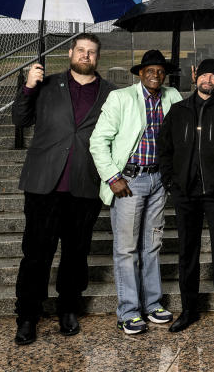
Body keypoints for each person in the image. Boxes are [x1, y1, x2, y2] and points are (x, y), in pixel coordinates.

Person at [11, 33, 116, 346]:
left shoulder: (110, 93)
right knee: (36, 255)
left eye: (91, 52)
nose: (85, 56)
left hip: (84, 185)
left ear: (98, 57)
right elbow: (19, 119)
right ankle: (28, 315)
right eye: (80, 50)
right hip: (44, 186)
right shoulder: (45, 83)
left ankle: (68, 308)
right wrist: (28, 85)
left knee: (76, 254)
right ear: (70, 52)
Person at [90, 49, 182, 335]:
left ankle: (153, 304)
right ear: (140, 73)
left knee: (152, 245)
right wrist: (112, 177)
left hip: (158, 181)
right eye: (150, 70)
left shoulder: (172, 97)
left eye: (160, 70)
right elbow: (97, 141)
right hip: (129, 182)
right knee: (127, 248)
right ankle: (128, 311)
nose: (156, 74)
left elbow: (186, 127)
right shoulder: (121, 98)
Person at [159, 58, 214, 334]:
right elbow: (164, 150)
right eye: (204, 74)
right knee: (187, 253)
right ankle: (189, 310)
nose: (208, 80)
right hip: (185, 193)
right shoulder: (178, 111)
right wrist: (172, 184)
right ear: (195, 76)